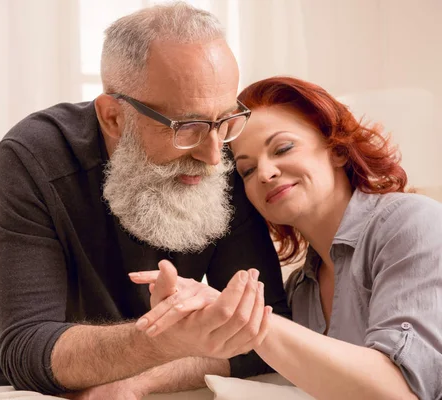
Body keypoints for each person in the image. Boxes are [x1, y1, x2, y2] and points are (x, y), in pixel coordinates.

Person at [0, 3, 291, 398]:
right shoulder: (33, 154)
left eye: (225, 119)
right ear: (113, 118)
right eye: (186, 127)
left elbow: (267, 331)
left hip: (140, 369)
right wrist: (165, 341)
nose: (213, 157)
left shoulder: (224, 151)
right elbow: (28, 349)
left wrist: (143, 377)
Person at [133, 76, 442, 399]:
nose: (265, 174)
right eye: (247, 171)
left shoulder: (414, 224)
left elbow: (402, 392)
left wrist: (249, 320)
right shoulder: (300, 289)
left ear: (336, 148)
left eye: (283, 148)